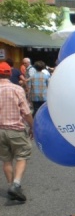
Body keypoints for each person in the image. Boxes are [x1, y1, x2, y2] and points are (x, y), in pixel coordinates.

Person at [0, 61, 33, 202]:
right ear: (9, 73)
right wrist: (32, 126)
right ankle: (16, 184)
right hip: (15, 129)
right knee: (22, 155)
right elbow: (26, 112)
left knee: (6, 160)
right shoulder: (16, 89)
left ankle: (10, 185)